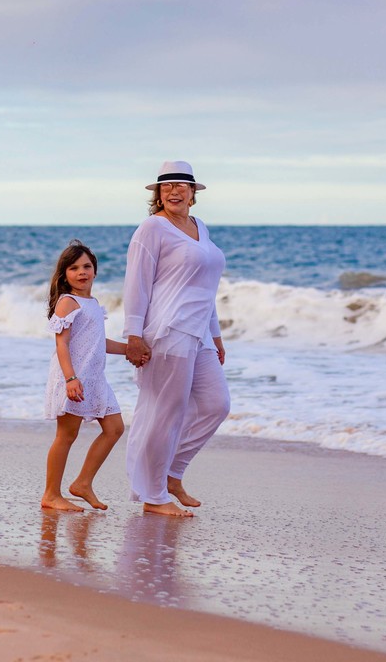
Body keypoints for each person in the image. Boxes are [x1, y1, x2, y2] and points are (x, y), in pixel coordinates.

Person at [123, 161, 230, 518]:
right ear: (158, 194)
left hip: (198, 335)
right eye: (166, 186)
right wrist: (133, 336)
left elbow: (206, 289)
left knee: (216, 405)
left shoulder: (200, 226)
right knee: (164, 415)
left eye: (181, 185)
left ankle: (171, 474)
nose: (173, 190)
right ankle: (154, 496)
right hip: (166, 333)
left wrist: (215, 335)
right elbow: (136, 283)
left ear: (193, 193)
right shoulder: (152, 228)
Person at [41, 241, 128, 512]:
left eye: (87, 266)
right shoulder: (68, 302)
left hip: (95, 379)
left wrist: (132, 350)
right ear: (64, 275)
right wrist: (70, 379)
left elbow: (98, 342)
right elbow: (61, 344)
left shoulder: (92, 303)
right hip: (73, 379)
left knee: (115, 429)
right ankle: (51, 494)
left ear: (95, 270)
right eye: (74, 267)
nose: (82, 272)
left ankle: (82, 483)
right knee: (66, 435)